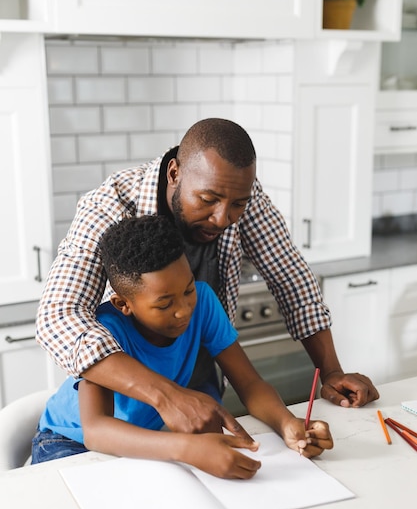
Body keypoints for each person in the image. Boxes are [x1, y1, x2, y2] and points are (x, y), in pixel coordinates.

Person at [36, 118, 378, 439]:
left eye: (237, 206)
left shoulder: (236, 189)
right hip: (133, 404)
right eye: (207, 200)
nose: (222, 218)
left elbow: (291, 276)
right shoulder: (110, 206)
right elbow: (58, 317)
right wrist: (166, 396)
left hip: (202, 389)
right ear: (175, 173)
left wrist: (331, 371)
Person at [32, 215, 334, 477]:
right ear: (123, 304)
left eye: (187, 289)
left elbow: (250, 383)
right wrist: (189, 449)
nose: (184, 310)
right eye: (164, 304)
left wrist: (287, 424)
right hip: (67, 443)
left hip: (132, 443)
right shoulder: (106, 331)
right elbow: (96, 431)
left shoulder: (203, 302)